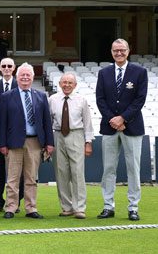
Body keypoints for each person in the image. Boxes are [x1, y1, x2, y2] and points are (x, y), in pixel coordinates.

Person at [95, 38, 147, 221]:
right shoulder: (103, 73)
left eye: (122, 50)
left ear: (128, 50)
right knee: (108, 168)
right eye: (116, 50)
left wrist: (123, 118)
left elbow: (140, 99)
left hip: (131, 127)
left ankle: (133, 207)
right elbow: (100, 99)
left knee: (134, 168)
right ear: (111, 52)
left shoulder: (140, 72)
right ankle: (108, 206)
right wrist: (113, 119)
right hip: (109, 128)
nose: (119, 53)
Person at [0, 63, 54, 220]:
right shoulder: (7, 96)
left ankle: (31, 208)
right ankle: (10, 207)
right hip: (13, 143)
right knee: (13, 178)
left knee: (31, 178)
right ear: (17, 77)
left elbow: (46, 122)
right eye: (22, 75)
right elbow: (3, 123)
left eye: (28, 75)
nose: (25, 77)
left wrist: (49, 143)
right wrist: (2, 144)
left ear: (32, 77)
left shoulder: (41, 96)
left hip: (35, 143)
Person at [48, 73, 94, 219]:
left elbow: (87, 122)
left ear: (75, 85)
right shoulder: (52, 99)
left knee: (77, 173)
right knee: (61, 172)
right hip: (58, 135)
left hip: (76, 134)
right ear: (60, 84)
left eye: (70, 82)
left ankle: (79, 208)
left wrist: (88, 142)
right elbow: (48, 121)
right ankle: (66, 207)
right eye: (64, 82)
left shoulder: (82, 100)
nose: (67, 85)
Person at [0, 58, 24, 213]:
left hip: (16, 135)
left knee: (17, 171)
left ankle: (16, 201)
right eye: (4, 66)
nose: (7, 68)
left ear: (14, 68)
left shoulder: (20, 85)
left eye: (10, 66)